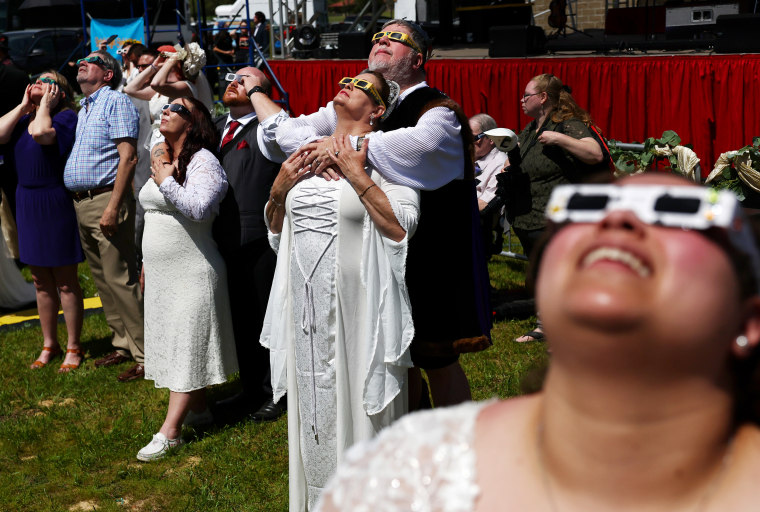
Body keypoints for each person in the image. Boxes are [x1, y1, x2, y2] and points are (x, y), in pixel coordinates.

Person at [315, 172, 760, 511]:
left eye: (677, 210)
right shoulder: (407, 472)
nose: (617, 219)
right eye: (585, 206)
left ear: (750, 320)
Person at [249, 19, 491, 410]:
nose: (382, 41)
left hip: (430, 249)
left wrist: (337, 146)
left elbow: (420, 145)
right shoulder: (362, 98)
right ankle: (408, 435)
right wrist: (331, 144)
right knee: (396, 357)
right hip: (373, 250)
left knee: (437, 357)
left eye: (395, 38)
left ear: (418, 58)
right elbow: (290, 134)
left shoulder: (437, 108)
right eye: (378, 36)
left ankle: (457, 443)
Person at [258, 70, 419, 510]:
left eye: (362, 84)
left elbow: (401, 228)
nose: (348, 83)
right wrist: (277, 191)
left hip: (356, 312)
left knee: (357, 411)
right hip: (304, 311)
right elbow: (277, 232)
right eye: (347, 78)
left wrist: (355, 172)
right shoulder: (305, 155)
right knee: (313, 413)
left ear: (378, 110)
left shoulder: (386, 159)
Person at [136, 97, 237, 461]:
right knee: (176, 340)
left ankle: (171, 431)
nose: (166, 110)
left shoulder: (203, 161)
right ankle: (199, 409)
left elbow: (199, 208)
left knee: (186, 344)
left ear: (193, 123)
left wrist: (165, 181)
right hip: (164, 271)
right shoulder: (162, 156)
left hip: (194, 269)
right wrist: (147, 263)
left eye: (176, 109)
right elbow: (155, 216)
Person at [63, 50, 144, 382]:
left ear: (108, 74)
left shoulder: (116, 101)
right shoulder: (86, 107)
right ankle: (122, 343)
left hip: (105, 198)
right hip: (83, 202)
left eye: (92, 60)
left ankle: (145, 353)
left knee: (120, 276)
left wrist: (113, 205)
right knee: (102, 276)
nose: (83, 62)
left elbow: (127, 157)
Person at [211, 67, 285, 423]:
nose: (233, 83)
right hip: (225, 238)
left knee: (266, 316)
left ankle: (277, 390)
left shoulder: (268, 130)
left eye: (244, 81)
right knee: (241, 317)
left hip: (259, 239)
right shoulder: (218, 128)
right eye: (232, 78)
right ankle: (251, 386)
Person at [0, 71, 84, 372]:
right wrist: (25, 106)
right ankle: (50, 343)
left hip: (53, 200)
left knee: (65, 280)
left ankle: (74, 346)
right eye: (35, 78)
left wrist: (45, 105)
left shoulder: (64, 118)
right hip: (26, 201)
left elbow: (41, 135)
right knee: (39, 280)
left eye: (47, 80)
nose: (37, 81)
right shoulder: (24, 119)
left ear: (60, 92)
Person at [511, 73, 604, 343]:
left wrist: (560, 139)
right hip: (530, 215)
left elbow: (594, 153)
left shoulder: (566, 124)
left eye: (526, 95)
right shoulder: (530, 129)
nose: (521, 100)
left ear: (542, 98)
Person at [123, 48, 161, 268]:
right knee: (140, 218)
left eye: (147, 66)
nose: (142, 70)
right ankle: (138, 262)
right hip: (139, 166)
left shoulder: (168, 92)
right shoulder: (131, 98)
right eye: (139, 66)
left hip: (164, 163)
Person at [470, 113, 508, 259]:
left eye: (473, 138)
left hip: (479, 227)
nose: (467, 142)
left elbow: (485, 205)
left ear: (491, 139)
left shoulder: (500, 163)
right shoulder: (468, 157)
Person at [150, 43, 213, 113]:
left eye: (164, 57)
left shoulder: (186, 86)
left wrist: (172, 60)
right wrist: (153, 66)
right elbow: (135, 89)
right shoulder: (167, 84)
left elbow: (155, 84)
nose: (160, 59)